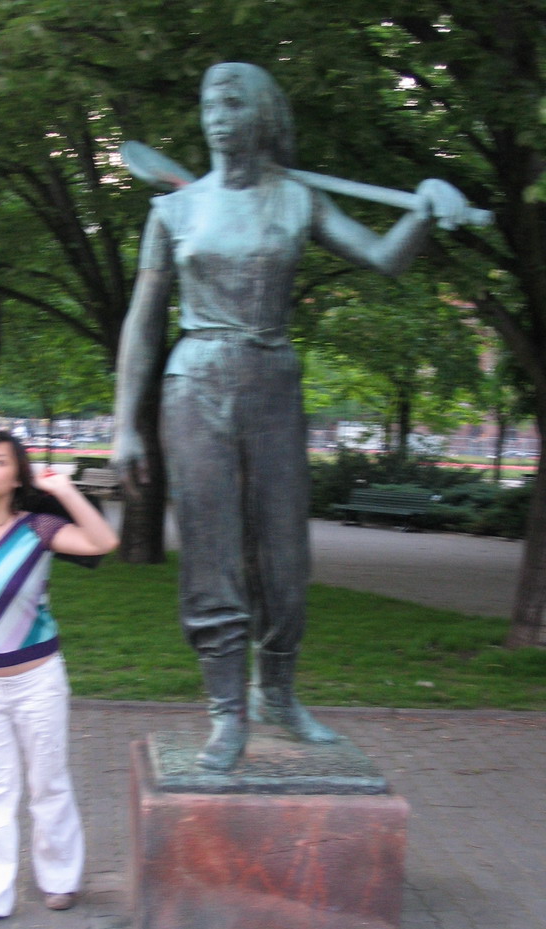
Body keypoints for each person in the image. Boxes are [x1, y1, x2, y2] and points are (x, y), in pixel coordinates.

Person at [113, 62, 468, 772]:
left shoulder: (296, 199)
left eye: (235, 103)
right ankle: (225, 710)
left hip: (272, 379)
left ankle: (277, 692)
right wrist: (124, 422)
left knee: (284, 555)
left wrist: (425, 207)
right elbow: (142, 326)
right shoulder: (174, 212)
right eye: (209, 102)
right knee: (212, 550)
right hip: (196, 383)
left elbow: (383, 257)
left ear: (263, 117)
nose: (218, 115)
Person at [0, 430, 118, 929]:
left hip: (39, 681)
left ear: (16, 477)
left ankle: (59, 878)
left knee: (47, 782)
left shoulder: (39, 529)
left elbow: (103, 541)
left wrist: (65, 490)